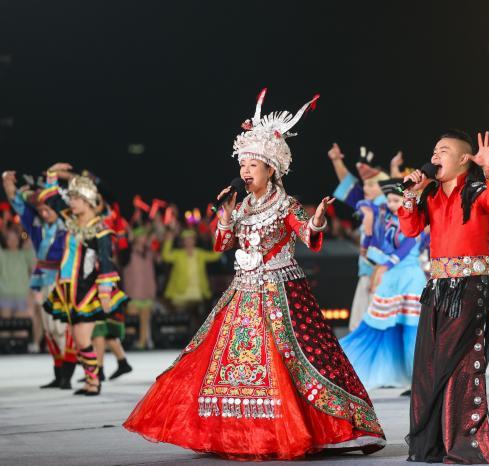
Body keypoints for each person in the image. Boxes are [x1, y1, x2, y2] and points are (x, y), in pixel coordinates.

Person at [124, 89, 385, 460]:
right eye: (243, 164)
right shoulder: (241, 203)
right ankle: (235, 433)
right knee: (220, 359)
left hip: (282, 292)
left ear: (271, 170)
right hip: (244, 292)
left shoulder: (286, 204)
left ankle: (307, 429)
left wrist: (318, 219)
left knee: (297, 359)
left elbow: (307, 234)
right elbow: (222, 243)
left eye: (253, 165)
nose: (245, 171)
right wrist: (226, 215)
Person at [399, 130, 489, 464]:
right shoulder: (429, 194)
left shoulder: (476, 191)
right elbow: (410, 229)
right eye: (433, 151)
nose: (434, 156)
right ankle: (430, 445)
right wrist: (411, 195)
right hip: (438, 288)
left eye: (443, 151)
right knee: (428, 367)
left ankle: (465, 446)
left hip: (472, 287)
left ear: (463, 159)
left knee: (456, 366)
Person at [40, 168, 129, 395]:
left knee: (82, 339)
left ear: (88, 201)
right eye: (71, 198)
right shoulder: (71, 220)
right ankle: (92, 381)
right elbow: (49, 198)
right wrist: (52, 175)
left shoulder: (100, 230)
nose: (72, 202)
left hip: (87, 291)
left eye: (76, 198)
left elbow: (107, 265)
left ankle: (93, 381)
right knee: (79, 341)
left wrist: (106, 293)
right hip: (67, 287)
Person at [340, 178, 427, 391]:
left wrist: (384, 266)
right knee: (376, 326)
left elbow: (405, 248)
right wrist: (369, 226)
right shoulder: (387, 220)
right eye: (389, 200)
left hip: (409, 279)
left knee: (410, 331)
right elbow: (376, 249)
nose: (391, 204)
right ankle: (350, 367)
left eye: (396, 200)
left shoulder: (413, 221)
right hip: (391, 278)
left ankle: (416, 380)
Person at [2, 169, 76, 388]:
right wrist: (8, 185)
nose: (44, 213)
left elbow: (57, 199)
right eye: (41, 210)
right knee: (47, 328)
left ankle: (67, 376)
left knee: (60, 327)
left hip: (61, 280)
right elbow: (18, 204)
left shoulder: (67, 225)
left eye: (47, 209)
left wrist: (53, 174)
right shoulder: (36, 225)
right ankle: (58, 373)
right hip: (42, 280)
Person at [329, 143, 389, 330]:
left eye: (371, 184)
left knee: (373, 329)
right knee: (359, 327)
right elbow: (350, 186)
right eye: (366, 184)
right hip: (367, 274)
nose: (365, 188)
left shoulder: (387, 209)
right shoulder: (368, 207)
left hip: (381, 276)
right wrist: (337, 160)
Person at [161, 228, 221, 332]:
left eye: (191, 239)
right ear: (183, 241)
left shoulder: (200, 253)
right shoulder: (178, 254)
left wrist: (214, 238)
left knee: (199, 317)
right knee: (182, 317)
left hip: (198, 293)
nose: (189, 241)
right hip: (180, 293)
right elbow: (165, 256)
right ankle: (182, 336)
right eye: (186, 239)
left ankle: (195, 337)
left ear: (194, 241)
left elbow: (215, 256)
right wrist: (168, 240)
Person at [121, 226, 158, 350]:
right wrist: (128, 241)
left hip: (147, 292)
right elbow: (122, 256)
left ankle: (142, 344)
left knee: (144, 321)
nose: (143, 238)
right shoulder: (128, 252)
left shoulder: (148, 253)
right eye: (141, 236)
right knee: (131, 322)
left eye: (144, 236)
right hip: (133, 293)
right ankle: (129, 344)